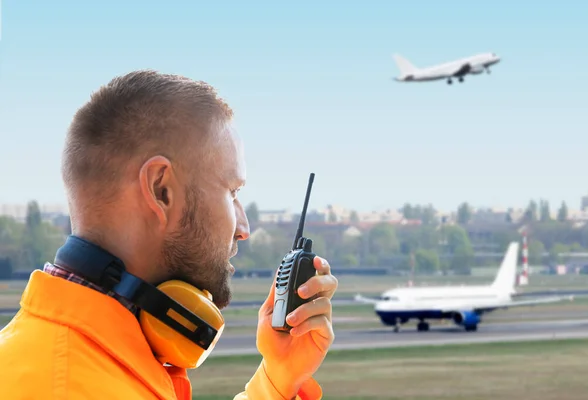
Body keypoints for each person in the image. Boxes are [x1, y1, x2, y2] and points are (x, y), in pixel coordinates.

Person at [0, 70, 338, 399]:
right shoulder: (73, 387)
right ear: (161, 190)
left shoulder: (68, 362)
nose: (243, 228)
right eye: (231, 192)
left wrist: (280, 377)